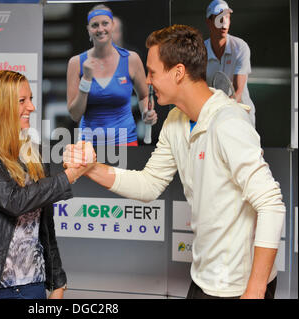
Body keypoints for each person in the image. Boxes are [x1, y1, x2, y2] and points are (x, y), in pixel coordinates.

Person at [64, 25, 285, 299]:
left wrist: (255, 289)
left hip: (238, 287)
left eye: (153, 72)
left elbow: (271, 204)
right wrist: (92, 168)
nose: (147, 80)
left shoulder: (228, 123)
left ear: (178, 72)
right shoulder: (176, 120)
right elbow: (149, 184)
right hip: (205, 278)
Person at [0, 70, 90, 299]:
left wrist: (58, 282)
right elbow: (13, 200)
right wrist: (69, 175)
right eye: (22, 101)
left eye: (31, 99)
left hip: (29, 285)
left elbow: (45, 227)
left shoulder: (34, 152)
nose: (31, 107)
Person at [66, 4, 157, 146]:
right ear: (88, 30)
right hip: (89, 146)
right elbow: (75, 114)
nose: (100, 29)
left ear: (113, 26)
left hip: (126, 143)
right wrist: (86, 80)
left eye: (105, 23)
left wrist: (146, 112)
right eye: (95, 25)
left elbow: (144, 96)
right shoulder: (76, 63)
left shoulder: (131, 59)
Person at [204, 0, 256, 126]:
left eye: (227, 17)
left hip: (242, 116)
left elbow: (238, 91)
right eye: (219, 18)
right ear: (209, 22)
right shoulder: (200, 51)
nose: (224, 23)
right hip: (212, 117)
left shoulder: (240, 47)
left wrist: (224, 112)